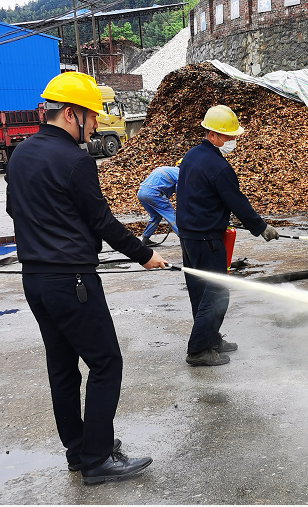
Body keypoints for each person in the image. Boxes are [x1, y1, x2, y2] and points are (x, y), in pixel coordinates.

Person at [4, 72, 167, 485]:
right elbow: (100, 219)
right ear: (72, 113)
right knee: (106, 362)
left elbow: (14, 209)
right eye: (92, 116)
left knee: (62, 367)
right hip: (71, 280)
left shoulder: (20, 155)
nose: (95, 125)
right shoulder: (75, 160)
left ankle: (78, 451)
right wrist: (145, 254)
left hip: (35, 280)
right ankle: (97, 460)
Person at [177, 105, 279, 367]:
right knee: (216, 294)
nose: (233, 141)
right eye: (229, 136)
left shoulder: (191, 156)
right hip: (206, 239)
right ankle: (199, 351)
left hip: (189, 235)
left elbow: (198, 195)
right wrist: (261, 227)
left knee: (201, 293)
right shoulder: (219, 167)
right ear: (213, 135)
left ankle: (211, 339)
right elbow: (237, 202)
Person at [137, 161, 180, 246]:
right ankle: (184, 237)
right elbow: (180, 191)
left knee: (156, 216)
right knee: (172, 216)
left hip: (141, 193)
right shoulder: (179, 173)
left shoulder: (165, 169)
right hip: (154, 194)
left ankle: (145, 238)